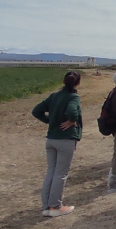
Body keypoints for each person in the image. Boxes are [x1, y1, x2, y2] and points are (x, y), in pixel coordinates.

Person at [31, 71, 83, 217]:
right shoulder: (73, 97)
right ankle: (55, 206)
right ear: (78, 83)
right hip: (65, 140)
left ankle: (46, 206)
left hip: (51, 139)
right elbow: (72, 111)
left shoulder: (54, 96)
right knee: (60, 174)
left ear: (63, 81)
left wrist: (50, 121)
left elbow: (36, 111)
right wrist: (72, 121)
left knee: (51, 172)